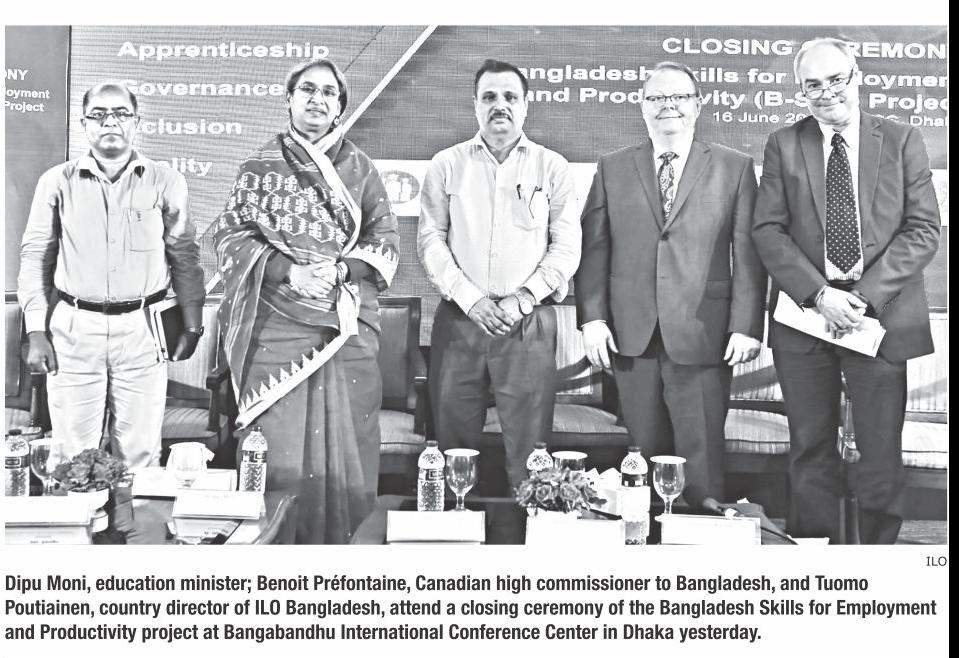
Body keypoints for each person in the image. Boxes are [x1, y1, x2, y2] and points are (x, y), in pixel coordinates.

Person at [752, 38, 940, 544]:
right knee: (810, 446)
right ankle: (815, 556)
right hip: (807, 316)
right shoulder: (783, 144)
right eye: (812, 84)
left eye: (836, 79)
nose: (826, 92)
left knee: (879, 450)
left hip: (879, 315)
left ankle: (876, 559)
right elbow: (768, 230)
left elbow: (923, 229)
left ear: (857, 77)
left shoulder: (901, 140)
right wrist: (820, 295)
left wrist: (863, 298)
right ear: (800, 91)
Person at [214, 58, 399, 544]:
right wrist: (290, 271)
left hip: (345, 321)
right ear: (289, 99)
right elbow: (230, 238)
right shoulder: (259, 167)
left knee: (350, 441)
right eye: (308, 90)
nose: (318, 99)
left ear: (340, 107)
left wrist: (339, 271)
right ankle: (273, 545)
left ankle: (346, 550)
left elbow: (384, 238)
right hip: (275, 325)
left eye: (329, 93)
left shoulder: (360, 168)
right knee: (278, 442)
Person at [575, 62, 766, 509]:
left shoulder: (735, 168)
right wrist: (593, 319)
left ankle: (699, 540)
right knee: (640, 461)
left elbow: (750, 255)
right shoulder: (612, 168)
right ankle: (644, 541)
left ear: (697, 105)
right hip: (631, 336)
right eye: (657, 98)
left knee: (701, 465)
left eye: (679, 97)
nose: (668, 106)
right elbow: (594, 249)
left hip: (704, 334)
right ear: (642, 107)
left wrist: (746, 325)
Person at [18, 81, 205, 468]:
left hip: (143, 330)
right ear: (84, 124)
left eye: (121, 113)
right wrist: (36, 331)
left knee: (140, 456)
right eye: (99, 114)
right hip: (74, 330)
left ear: (137, 122)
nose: (110, 122)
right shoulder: (57, 181)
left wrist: (192, 322)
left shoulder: (166, 181)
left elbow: (185, 254)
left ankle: (133, 512)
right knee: (72, 457)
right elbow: (35, 256)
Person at [417, 59, 581, 491]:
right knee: (453, 445)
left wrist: (522, 299)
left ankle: (532, 525)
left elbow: (566, 248)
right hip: (461, 320)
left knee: (531, 451)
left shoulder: (552, 167)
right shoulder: (446, 164)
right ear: (475, 104)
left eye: (510, 97)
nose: (499, 105)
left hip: (528, 321)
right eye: (489, 97)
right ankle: (455, 522)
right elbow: (430, 240)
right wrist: (471, 300)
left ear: (526, 105)